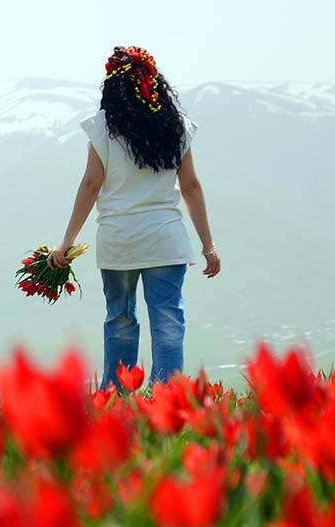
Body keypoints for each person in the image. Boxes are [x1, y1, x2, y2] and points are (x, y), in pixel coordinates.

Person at [49, 45, 220, 388]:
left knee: (120, 320)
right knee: (168, 320)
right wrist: (208, 246)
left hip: (119, 241)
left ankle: (115, 397)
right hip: (165, 240)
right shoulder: (177, 127)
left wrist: (66, 242)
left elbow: (90, 185)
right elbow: (191, 186)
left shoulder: (102, 128)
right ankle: (168, 398)